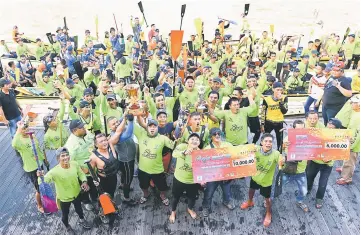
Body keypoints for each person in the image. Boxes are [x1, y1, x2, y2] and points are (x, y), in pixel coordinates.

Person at [37, 147, 91, 234]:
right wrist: (40, 177)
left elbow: (81, 174)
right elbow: (43, 182)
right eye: (62, 156)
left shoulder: (74, 164)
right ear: (58, 158)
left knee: (79, 210)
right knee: (65, 215)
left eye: (67, 155)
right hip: (64, 199)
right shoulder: (54, 172)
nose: (66, 157)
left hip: (76, 194)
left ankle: (82, 220)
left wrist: (84, 181)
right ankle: (67, 226)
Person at [240, 133, 282, 227]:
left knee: (267, 199)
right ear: (261, 142)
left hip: (266, 182)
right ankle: (250, 201)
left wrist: (282, 162)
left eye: (270, 141)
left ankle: (268, 213)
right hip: (255, 177)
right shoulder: (255, 149)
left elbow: (282, 163)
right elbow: (241, 150)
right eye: (266, 141)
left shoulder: (276, 154)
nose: (268, 143)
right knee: (251, 190)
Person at [133, 118, 174, 205]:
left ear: (158, 128)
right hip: (143, 169)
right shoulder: (141, 134)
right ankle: (145, 194)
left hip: (157, 170)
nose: (152, 128)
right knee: (143, 185)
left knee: (162, 187)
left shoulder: (162, 138)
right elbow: (132, 123)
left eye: (154, 126)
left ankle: (162, 196)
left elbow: (174, 146)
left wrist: (178, 139)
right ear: (147, 128)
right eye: (150, 126)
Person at [12, 121, 49, 214]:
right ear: (19, 130)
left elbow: (38, 149)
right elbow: (14, 144)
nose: (26, 130)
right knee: (39, 189)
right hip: (31, 168)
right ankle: (39, 205)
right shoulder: (19, 141)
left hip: (39, 164)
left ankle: (45, 200)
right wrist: (18, 129)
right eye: (23, 129)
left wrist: (44, 159)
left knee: (42, 184)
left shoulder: (32, 136)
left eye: (26, 128)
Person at [306, 118, 343, 209]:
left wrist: (331, 157)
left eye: (332, 128)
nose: (329, 129)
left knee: (323, 182)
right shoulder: (321, 131)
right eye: (328, 126)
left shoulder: (340, 137)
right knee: (309, 176)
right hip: (315, 161)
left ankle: (319, 198)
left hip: (327, 165)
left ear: (337, 129)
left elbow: (341, 151)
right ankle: (308, 189)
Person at [64, 119, 98, 211]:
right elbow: (69, 162)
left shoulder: (86, 133)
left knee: (94, 186)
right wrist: (81, 170)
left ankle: (95, 198)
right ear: (74, 131)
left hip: (93, 166)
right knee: (84, 189)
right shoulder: (70, 145)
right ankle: (86, 201)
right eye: (81, 128)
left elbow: (93, 142)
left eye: (83, 126)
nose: (84, 128)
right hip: (83, 171)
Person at [202, 128, 235, 217]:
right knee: (209, 193)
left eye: (219, 134)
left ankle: (226, 201)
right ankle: (206, 206)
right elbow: (202, 164)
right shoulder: (207, 148)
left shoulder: (228, 145)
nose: (217, 135)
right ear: (211, 137)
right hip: (213, 176)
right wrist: (203, 178)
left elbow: (235, 156)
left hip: (225, 175)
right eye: (214, 134)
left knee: (227, 192)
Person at [169, 133, 200, 223]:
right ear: (187, 141)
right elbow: (174, 154)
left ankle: (190, 209)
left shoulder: (200, 152)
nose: (194, 141)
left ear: (199, 142)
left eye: (197, 139)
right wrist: (183, 153)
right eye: (192, 139)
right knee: (175, 197)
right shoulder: (182, 146)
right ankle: (173, 212)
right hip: (179, 179)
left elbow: (202, 168)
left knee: (192, 197)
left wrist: (202, 180)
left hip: (192, 181)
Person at [108, 115, 137, 205]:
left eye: (117, 122)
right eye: (113, 124)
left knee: (124, 175)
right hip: (127, 161)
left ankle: (121, 185)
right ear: (110, 127)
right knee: (128, 179)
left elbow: (120, 119)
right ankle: (126, 198)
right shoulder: (116, 136)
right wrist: (131, 121)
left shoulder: (117, 130)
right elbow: (128, 134)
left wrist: (124, 116)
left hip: (123, 160)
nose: (116, 124)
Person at [281, 120, 309, 212]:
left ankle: (299, 201)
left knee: (304, 191)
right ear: (293, 129)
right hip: (288, 170)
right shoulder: (287, 138)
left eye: (302, 128)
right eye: (298, 129)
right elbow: (282, 150)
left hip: (301, 171)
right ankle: (269, 199)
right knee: (278, 186)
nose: (300, 131)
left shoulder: (308, 138)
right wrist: (284, 145)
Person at [336, 95, 360, 184]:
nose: (351, 104)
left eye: (354, 103)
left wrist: (351, 145)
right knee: (346, 157)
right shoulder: (354, 111)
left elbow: (358, 134)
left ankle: (346, 178)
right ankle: (344, 168)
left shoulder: (359, 117)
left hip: (353, 143)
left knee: (350, 160)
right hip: (349, 138)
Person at [89, 133, 119, 199]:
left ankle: (113, 205)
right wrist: (95, 179)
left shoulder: (111, 147)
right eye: (101, 141)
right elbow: (91, 170)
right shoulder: (93, 157)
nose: (104, 143)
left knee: (112, 194)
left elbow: (118, 133)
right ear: (96, 145)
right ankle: (103, 207)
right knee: (104, 198)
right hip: (103, 181)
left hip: (114, 177)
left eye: (105, 140)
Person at [261, 82, 288, 150]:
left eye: (281, 90)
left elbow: (284, 111)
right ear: (273, 89)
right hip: (269, 122)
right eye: (277, 90)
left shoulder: (284, 98)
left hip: (279, 122)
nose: (279, 92)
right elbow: (263, 112)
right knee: (265, 138)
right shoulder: (267, 99)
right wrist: (262, 124)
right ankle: (263, 151)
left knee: (280, 140)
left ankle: (279, 153)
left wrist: (281, 101)